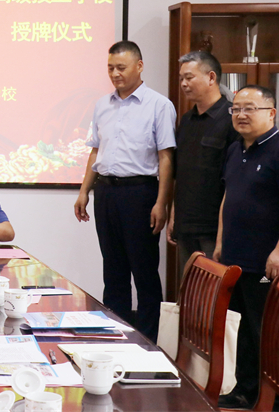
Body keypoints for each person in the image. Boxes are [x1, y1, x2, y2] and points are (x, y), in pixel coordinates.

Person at [73, 41, 175, 341]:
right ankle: (115, 336)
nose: (115, 74)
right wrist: (84, 191)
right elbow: (96, 150)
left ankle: (148, 341)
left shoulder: (159, 105)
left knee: (144, 271)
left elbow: (166, 157)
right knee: (113, 269)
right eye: (110, 68)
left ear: (139, 66)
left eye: (121, 67)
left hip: (140, 193)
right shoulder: (102, 105)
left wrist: (162, 203)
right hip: (106, 193)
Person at [214, 85, 279, 409]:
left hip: (269, 262)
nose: (241, 114)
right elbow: (229, 197)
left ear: (271, 113)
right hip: (237, 259)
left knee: (270, 333)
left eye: (250, 108)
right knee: (245, 330)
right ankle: (246, 391)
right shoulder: (235, 149)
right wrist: (221, 241)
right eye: (236, 108)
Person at [169, 51, 238, 272]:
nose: (183, 84)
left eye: (189, 77)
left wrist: (223, 233)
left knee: (214, 288)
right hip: (185, 226)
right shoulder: (187, 120)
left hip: (214, 229)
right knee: (189, 288)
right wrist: (173, 216)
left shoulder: (232, 120)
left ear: (211, 77)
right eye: (181, 78)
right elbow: (181, 173)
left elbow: (234, 181)